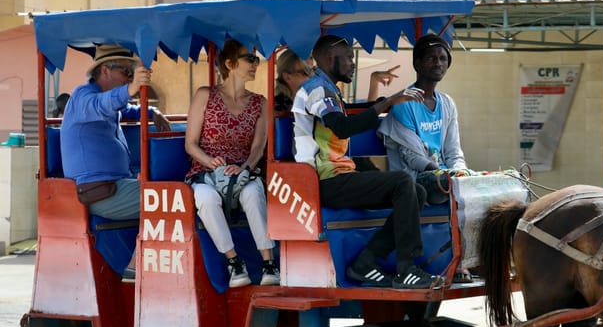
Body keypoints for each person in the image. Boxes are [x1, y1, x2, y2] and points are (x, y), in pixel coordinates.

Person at [293, 34, 439, 289]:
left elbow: (351, 115)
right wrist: (390, 101)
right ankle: (407, 269)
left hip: (339, 175)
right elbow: (341, 127)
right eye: (348, 58)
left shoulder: (327, 88)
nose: (353, 63)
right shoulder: (317, 89)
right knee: (403, 182)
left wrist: (389, 102)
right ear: (329, 58)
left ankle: (366, 261)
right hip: (323, 181)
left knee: (417, 191)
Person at [61, 44, 171, 279]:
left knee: (172, 193)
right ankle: (137, 265)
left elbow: (124, 109)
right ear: (105, 70)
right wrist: (132, 88)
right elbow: (103, 105)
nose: (130, 77)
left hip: (114, 187)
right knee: (169, 200)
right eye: (126, 72)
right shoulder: (83, 97)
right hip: (98, 192)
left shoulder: (106, 103)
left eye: (132, 74)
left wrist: (151, 112)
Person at [185, 39, 279, 288]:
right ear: (230, 64)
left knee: (253, 193)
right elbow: (190, 144)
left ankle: (269, 263)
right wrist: (210, 161)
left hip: (243, 170)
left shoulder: (260, 103)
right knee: (206, 199)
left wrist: (245, 167)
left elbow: (258, 146)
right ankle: (234, 262)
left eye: (256, 59)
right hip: (206, 171)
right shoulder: (205, 95)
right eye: (250, 59)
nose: (255, 64)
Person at [379, 34, 468, 203]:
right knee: (449, 185)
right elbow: (413, 158)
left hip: (443, 178)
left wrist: (461, 173)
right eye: (431, 58)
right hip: (416, 181)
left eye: (443, 59)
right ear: (417, 64)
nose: (438, 63)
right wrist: (445, 176)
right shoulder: (403, 104)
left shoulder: (447, 103)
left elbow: (454, 152)